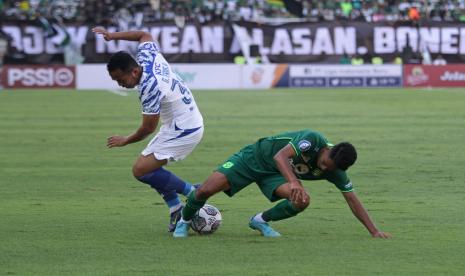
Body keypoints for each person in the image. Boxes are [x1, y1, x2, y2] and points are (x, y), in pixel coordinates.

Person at [173, 129, 391, 239]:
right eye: (325, 163)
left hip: (275, 176)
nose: (325, 169)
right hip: (255, 158)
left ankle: (260, 221)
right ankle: (185, 220)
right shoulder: (313, 140)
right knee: (205, 190)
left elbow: (352, 199)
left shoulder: (336, 170)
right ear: (327, 150)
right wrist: (294, 181)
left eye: (330, 169)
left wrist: (374, 231)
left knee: (302, 200)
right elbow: (280, 156)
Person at [92, 27, 204, 232]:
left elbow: (147, 128)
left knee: (141, 169)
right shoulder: (146, 56)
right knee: (147, 170)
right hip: (184, 121)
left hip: (184, 129)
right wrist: (112, 36)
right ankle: (176, 209)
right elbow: (143, 35)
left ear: (134, 72)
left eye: (121, 80)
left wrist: (125, 140)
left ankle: (194, 194)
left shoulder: (149, 87)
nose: (121, 84)